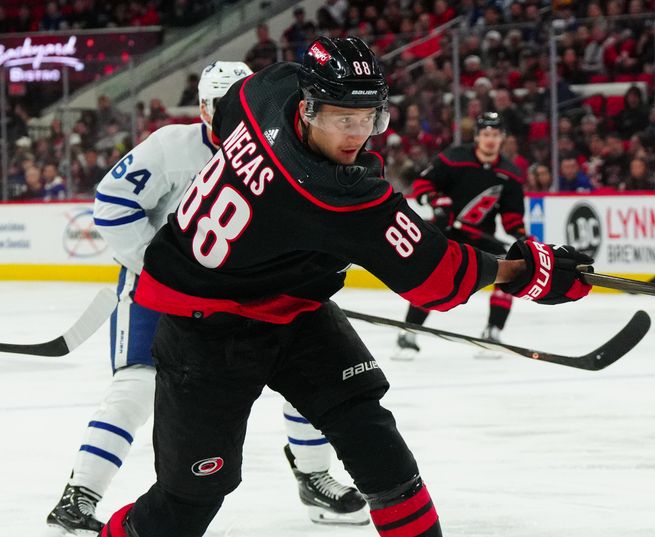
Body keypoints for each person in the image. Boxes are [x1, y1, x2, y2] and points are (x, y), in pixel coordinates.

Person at [98, 36, 592, 537]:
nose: (358, 134)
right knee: (189, 498)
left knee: (374, 440)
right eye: (343, 119)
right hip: (206, 329)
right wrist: (526, 272)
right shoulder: (334, 194)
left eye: (369, 117)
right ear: (309, 109)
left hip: (293, 307)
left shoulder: (266, 89)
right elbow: (438, 281)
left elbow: (227, 113)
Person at [46, 60, 368, 537]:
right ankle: (79, 497)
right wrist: (161, 272)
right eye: (222, 108)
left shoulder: (283, 150)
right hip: (158, 295)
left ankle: (313, 475)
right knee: (137, 388)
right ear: (203, 108)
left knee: (311, 373)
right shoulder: (171, 148)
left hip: (243, 302)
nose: (234, 119)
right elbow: (114, 204)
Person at [394, 111, 527, 360]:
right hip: (445, 234)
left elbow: (512, 218)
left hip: (480, 238)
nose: (490, 139)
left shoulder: (510, 174)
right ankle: (409, 334)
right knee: (433, 281)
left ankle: (493, 333)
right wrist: (437, 200)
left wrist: (521, 236)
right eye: (485, 134)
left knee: (510, 274)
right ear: (477, 136)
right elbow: (423, 184)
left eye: (495, 135)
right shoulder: (454, 158)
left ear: (502, 138)